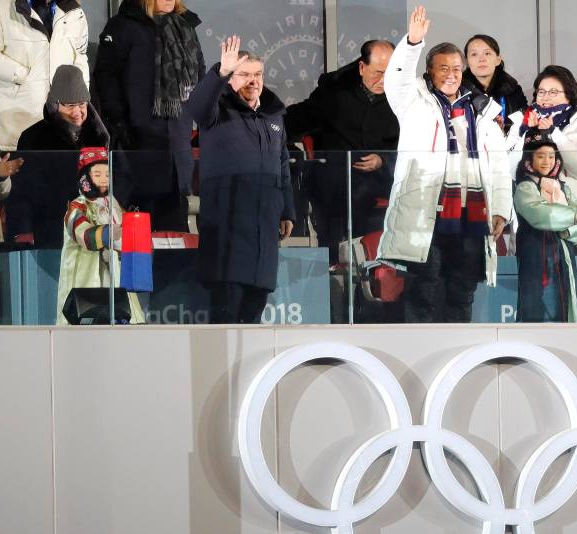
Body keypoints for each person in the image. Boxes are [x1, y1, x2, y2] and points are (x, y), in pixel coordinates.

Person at [377, 6, 512, 323]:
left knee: (462, 292)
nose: (451, 74)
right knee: (426, 289)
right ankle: (420, 356)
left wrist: (501, 208)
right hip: (428, 212)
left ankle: (457, 357)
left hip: (472, 214)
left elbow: (499, 166)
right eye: (443, 68)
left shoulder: (482, 110)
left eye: (456, 68)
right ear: (429, 71)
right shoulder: (413, 102)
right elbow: (395, 80)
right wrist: (412, 43)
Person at [185, 36, 296, 324]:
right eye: (244, 74)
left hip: (264, 231)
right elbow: (196, 108)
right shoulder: (217, 109)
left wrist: (287, 211)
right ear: (231, 78)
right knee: (226, 314)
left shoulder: (273, 115)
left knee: (254, 312)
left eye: (258, 74)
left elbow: (282, 165)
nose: (253, 81)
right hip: (228, 231)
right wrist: (220, 73)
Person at [94, 0, 205, 232]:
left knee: (174, 238)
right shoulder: (123, 27)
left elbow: (200, 78)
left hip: (177, 145)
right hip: (138, 147)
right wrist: (119, 124)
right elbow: (106, 77)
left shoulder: (185, 26)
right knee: (139, 236)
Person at [285, 40, 398, 262]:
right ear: (362, 67)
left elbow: (409, 145)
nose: (383, 80)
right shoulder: (334, 93)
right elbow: (296, 120)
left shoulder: (403, 99)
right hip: (335, 189)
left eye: (391, 73)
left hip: (382, 188)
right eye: (378, 73)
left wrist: (383, 160)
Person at [4, 64, 129, 248]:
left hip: (104, 229)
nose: (77, 112)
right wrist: (23, 229)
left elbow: (124, 177)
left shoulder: (106, 135)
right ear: (55, 105)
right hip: (54, 230)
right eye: (70, 106)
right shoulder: (33, 137)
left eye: (81, 104)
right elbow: (23, 189)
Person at [0, 0, 89, 151]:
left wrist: (79, 97)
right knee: (16, 171)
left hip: (63, 122)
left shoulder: (74, 11)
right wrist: (25, 75)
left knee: (61, 170)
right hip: (16, 119)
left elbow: (80, 57)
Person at [55, 147, 144, 325]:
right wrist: (106, 234)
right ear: (85, 178)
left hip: (115, 275)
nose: (103, 179)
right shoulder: (78, 206)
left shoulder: (114, 204)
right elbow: (81, 233)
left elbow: (128, 229)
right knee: (88, 319)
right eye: (97, 174)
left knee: (125, 315)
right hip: (88, 279)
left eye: (106, 174)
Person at [514, 130, 577, 322]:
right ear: (530, 159)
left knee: (566, 298)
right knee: (536, 300)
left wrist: (569, 227)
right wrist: (572, 217)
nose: (547, 161)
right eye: (541, 156)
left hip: (562, 251)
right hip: (535, 251)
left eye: (551, 156)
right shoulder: (525, 187)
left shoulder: (563, 187)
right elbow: (541, 215)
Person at [508, 64, 577, 205]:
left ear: (569, 95)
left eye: (553, 92)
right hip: (530, 211)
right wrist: (529, 134)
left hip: (571, 212)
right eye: (541, 92)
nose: (545, 98)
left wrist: (553, 133)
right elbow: (509, 169)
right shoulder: (522, 124)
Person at [462, 34, 527, 133]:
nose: (481, 59)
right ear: (467, 62)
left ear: (498, 60)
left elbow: (524, 128)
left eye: (487, 53)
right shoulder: (458, 92)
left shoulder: (513, 90)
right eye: (474, 54)